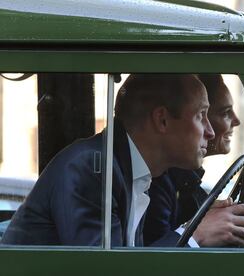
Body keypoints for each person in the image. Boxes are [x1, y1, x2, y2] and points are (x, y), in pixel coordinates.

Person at [1, 74, 215, 247]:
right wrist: (195, 235)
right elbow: (104, 269)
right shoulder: (91, 169)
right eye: (201, 115)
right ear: (162, 120)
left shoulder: (133, 170)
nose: (210, 131)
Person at [144, 74, 244, 248]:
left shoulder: (184, 180)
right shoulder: (157, 182)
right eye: (225, 113)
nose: (237, 121)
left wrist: (241, 231)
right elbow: (156, 260)